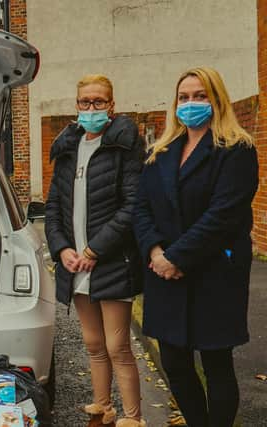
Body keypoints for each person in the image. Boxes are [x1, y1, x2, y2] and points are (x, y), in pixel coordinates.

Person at [133, 67, 258, 427]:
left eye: (200, 96)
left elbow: (225, 214)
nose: (190, 104)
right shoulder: (161, 151)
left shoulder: (236, 149)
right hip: (164, 273)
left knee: (216, 363)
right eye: (184, 97)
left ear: (217, 99)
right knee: (174, 362)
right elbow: (141, 208)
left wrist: (177, 256)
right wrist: (156, 253)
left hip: (213, 272)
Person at [45, 75, 146, 427]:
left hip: (112, 260)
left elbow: (132, 206)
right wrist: (62, 250)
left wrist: (94, 249)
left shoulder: (125, 146)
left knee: (118, 345)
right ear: (76, 106)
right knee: (92, 342)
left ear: (112, 105)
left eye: (98, 102)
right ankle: (102, 406)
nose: (91, 108)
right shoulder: (68, 148)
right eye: (85, 102)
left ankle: (133, 417)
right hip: (76, 263)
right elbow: (53, 207)